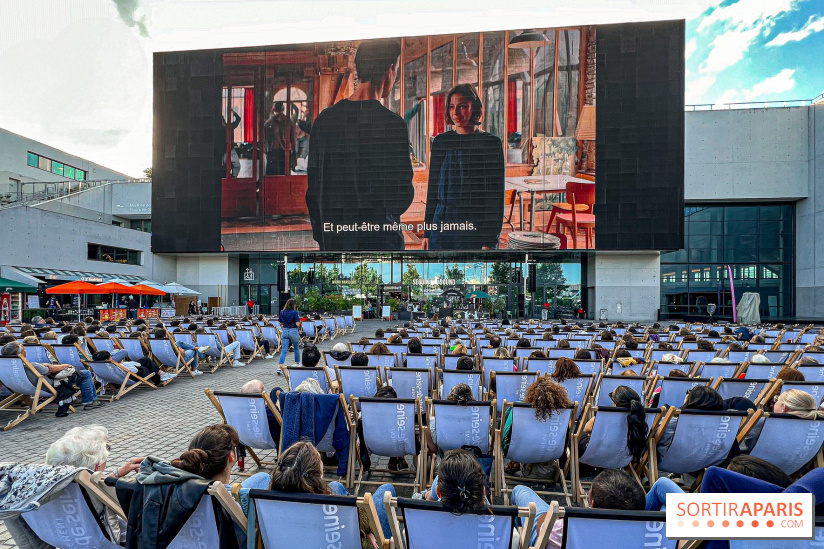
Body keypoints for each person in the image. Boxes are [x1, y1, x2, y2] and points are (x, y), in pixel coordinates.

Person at [306, 38, 414, 251]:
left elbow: (314, 191)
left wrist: (323, 238)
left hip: (335, 241)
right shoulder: (393, 125)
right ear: (390, 71)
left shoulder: (325, 121)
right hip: (381, 241)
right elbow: (401, 195)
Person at [422, 84, 505, 250]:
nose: (456, 113)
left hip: (474, 224)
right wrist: (427, 231)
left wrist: (490, 241)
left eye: (462, 107)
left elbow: (495, 197)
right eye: (452, 107)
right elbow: (433, 190)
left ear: (473, 107)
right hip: (442, 221)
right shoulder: (440, 142)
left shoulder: (491, 143)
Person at [271, 441, 395, 545]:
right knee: (386, 490)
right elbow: (363, 523)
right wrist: (365, 529)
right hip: (340, 541)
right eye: (320, 461)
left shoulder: (269, 504)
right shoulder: (328, 506)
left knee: (335, 486)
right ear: (317, 475)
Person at [44, 425, 145, 544]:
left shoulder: (44, 489)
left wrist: (116, 474)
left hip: (66, 542)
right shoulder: (100, 498)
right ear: (97, 465)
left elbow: (90, 485)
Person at [515, 468, 646, 548]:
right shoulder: (653, 535)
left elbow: (542, 527)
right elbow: (663, 484)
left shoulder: (567, 529)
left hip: (548, 536)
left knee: (520, 491)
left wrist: (556, 515)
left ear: (593, 504)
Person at [1, 341, 103, 415]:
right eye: (24, 349)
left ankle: (82, 399)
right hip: (47, 387)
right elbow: (51, 370)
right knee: (85, 374)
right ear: (21, 353)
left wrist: (44, 365)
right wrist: (66, 365)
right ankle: (90, 401)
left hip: (21, 388)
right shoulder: (32, 366)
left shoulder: (5, 367)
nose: (25, 351)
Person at [501, 377, 571, 476]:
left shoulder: (519, 408)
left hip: (519, 450)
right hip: (551, 451)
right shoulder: (562, 412)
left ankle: (518, 463)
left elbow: (505, 435)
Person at [264, 101, 297, 175]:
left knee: (272, 178)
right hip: (285, 152)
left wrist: (266, 151)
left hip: (272, 152)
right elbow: (293, 140)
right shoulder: (289, 122)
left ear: (274, 109)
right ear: (283, 109)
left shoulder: (269, 123)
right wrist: (293, 155)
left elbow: (264, 139)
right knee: (284, 177)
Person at [278, 299, 302, 372]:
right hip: (293, 331)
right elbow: (297, 324)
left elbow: (280, 323)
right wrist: (300, 322)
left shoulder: (282, 312)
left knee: (284, 350)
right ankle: (297, 362)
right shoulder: (294, 313)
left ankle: (280, 366)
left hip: (285, 331)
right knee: (296, 348)